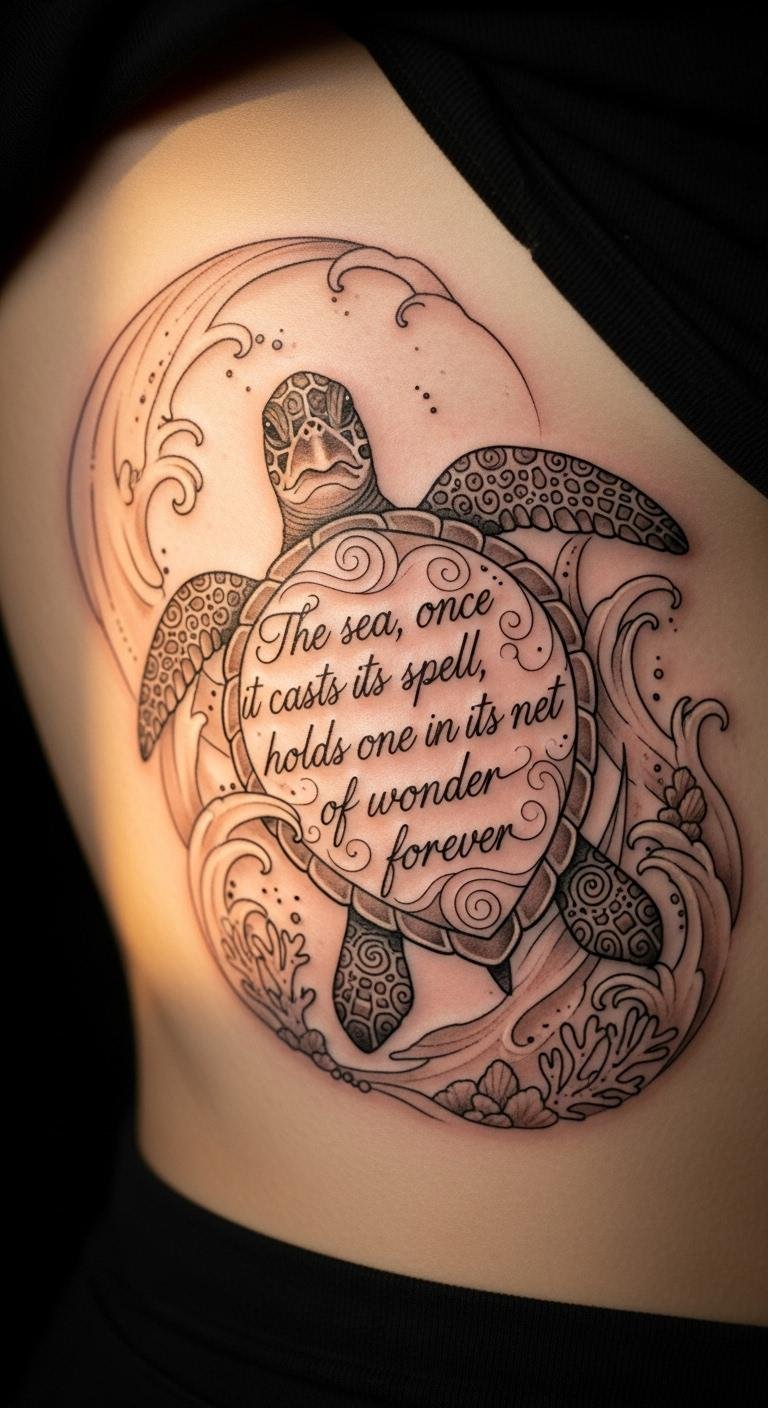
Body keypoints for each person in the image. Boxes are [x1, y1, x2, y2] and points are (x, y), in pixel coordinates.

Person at [2, 10, 766, 1405]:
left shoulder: (459, 497)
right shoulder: (245, 595)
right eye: (302, 441)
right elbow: (176, 677)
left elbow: (568, 499)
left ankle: (537, 890)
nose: (319, 447)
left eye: (330, 433)